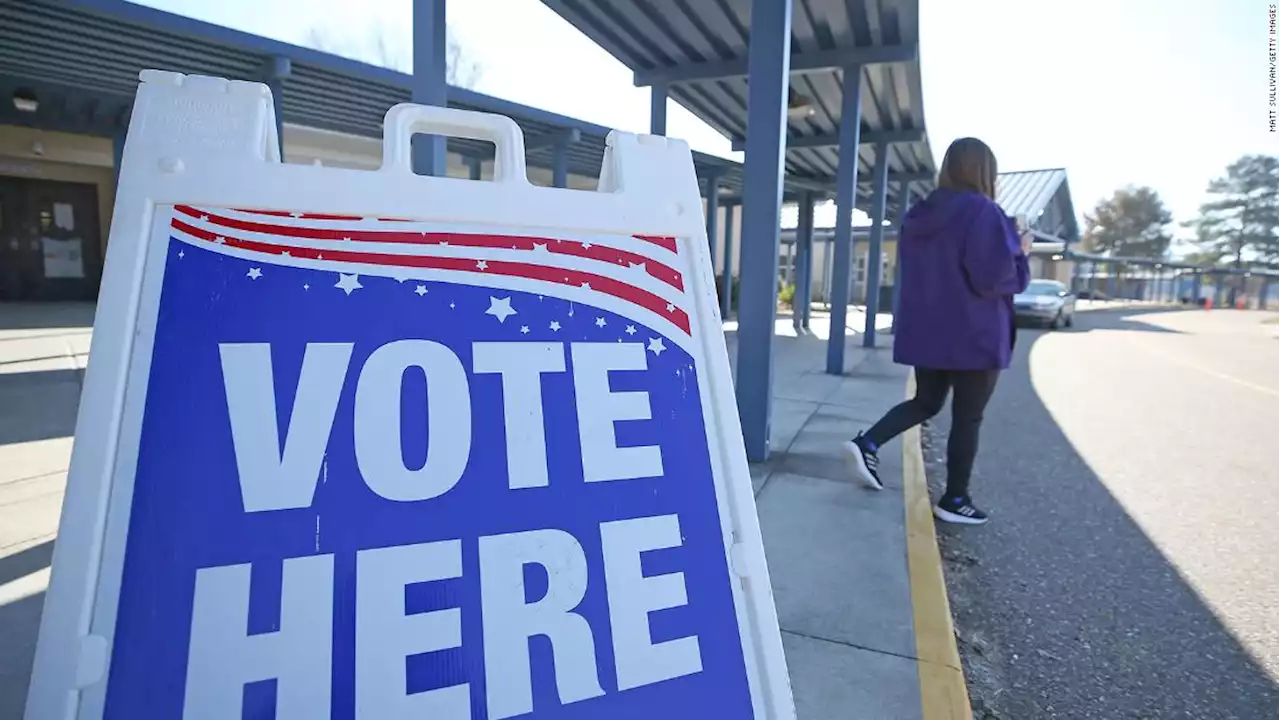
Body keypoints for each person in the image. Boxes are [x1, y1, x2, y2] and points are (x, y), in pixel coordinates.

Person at [842, 137, 1031, 526]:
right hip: (975, 335)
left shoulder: (920, 214)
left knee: (927, 402)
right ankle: (955, 498)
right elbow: (995, 278)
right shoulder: (984, 212)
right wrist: (1021, 253)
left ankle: (868, 442)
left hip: (930, 332)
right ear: (985, 171)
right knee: (968, 417)